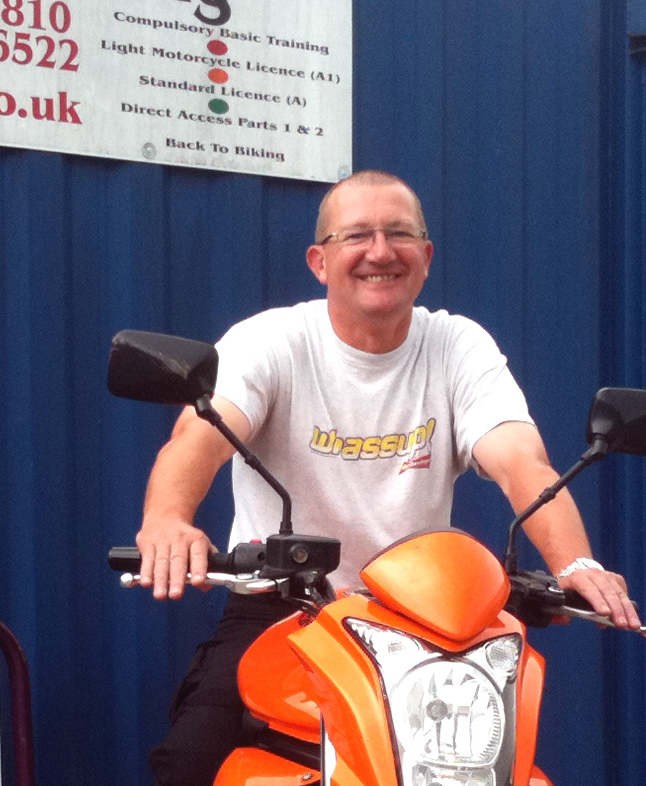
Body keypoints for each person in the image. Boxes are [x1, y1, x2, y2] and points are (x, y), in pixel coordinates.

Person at [134, 170, 641, 786]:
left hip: (424, 626)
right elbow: (200, 436)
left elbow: (521, 462)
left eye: (399, 234)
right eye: (357, 236)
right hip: (282, 611)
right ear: (320, 261)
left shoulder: (457, 346)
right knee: (189, 763)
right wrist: (167, 519)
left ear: (426, 257)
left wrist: (575, 564)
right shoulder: (271, 341)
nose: (380, 251)